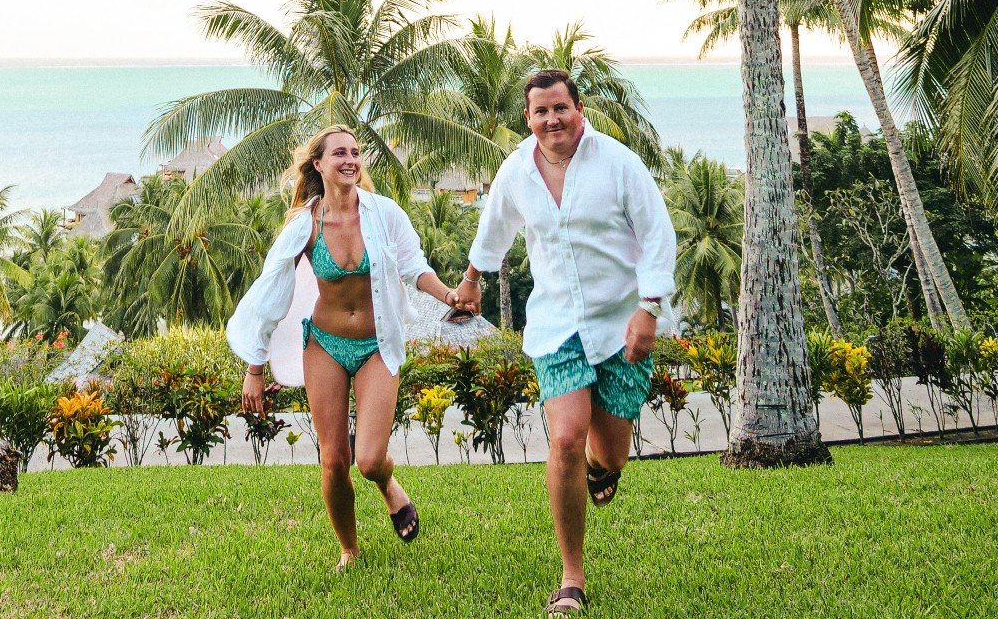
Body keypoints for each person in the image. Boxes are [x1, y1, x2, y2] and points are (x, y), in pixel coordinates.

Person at [453, 68, 676, 615]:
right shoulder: (516, 171)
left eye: (560, 108)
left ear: (579, 110)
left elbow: (657, 235)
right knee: (567, 440)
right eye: (541, 111)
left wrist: (649, 309)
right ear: (527, 118)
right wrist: (472, 278)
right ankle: (572, 577)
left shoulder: (618, 163)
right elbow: (494, 227)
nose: (552, 119)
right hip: (556, 326)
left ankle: (602, 468)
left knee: (611, 453)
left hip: (621, 321)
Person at [228, 125, 465, 569]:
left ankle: (388, 485)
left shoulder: (384, 213)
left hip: (377, 344)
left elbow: (415, 267)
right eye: (340, 153)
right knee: (334, 460)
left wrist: (449, 295)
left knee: (369, 459)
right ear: (318, 164)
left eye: (355, 152)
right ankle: (349, 550)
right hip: (325, 344)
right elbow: (269, 295)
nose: (351, 160)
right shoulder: (305, 225)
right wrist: (254, 368)